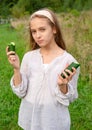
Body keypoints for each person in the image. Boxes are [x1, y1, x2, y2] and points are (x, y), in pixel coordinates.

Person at [6, 8, 80, 130]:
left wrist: (62, 85)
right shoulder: (29, 57)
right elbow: (21, 92)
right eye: (33, 31)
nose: (37, 35)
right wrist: (16, 69)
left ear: (54, 29)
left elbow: (70, 98)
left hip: (54, 122)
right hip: (29, 119)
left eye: (42, 29)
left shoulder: (69, 62)